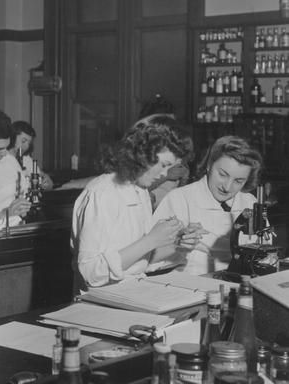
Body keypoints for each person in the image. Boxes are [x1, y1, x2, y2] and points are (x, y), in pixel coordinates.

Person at [71, 115, 201, 292]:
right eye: (163, 164)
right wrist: (151, 240)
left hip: (132, 292)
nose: (165, 174)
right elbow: (91, 272)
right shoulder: (104, 192)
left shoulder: (140, 191)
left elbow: (139, 264)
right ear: (142, 153)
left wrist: (176, 242)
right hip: (98, 303)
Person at [153, 135, 263, 276]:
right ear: (209, 165)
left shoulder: (249, 202)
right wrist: (178, 243)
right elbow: (150, 257)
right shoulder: (180, 198)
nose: (227, 187)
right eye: (223, 175)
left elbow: (262, 252)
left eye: (239, 181)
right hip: (190, 285)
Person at [10, 120, 53, 191]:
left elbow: (44, 179)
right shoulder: (3, 158)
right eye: (23, 141)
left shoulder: (26, 159)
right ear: (12, 138)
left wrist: (46, 182)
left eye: (29, 143)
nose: (26, 146)